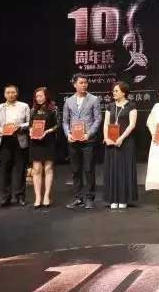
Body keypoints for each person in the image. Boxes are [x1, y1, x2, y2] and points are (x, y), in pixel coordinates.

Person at [63, 74, 102, 210]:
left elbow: (98, 119)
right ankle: (78, 198)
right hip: (73, 140)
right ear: (75, 84)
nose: (84, 85)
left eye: (85, 82)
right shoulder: (69, 101)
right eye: (81, 83)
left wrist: (88, 134)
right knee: (75, 170)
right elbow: (65, 121)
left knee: (89, 169)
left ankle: (90, 198)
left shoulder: (94, 99)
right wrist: (68, 134)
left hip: (88, 140)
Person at [103, 81, 139, 209]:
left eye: (116, 91)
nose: (114, 93)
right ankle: (113, 199)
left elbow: (132, 125)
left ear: (124, 92)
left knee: (124, 169)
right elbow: (106, 124)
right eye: (113, 91)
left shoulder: (131, 106)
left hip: (125, 142)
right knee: (112, 170)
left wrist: (121, 138)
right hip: (111, 142)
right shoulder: (110, 106)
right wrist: (106, 138)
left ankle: (124, 199)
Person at [0, 84, 30, 207]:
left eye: (13, 92)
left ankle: (20, 197)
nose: (10, 94)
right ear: (4, 94)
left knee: (20, 170)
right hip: (4, 141)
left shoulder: (24, 106)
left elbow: (29, 122)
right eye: (8, 92)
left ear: (17, 93)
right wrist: (1, 130)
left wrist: (20, 127)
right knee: (5, 171)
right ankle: (6, 197)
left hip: (19, 140)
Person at [29, 87, 59, 209]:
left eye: (41, 96)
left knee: (48, 168)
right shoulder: (33, 109)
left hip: (48, 141)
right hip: (36, 141)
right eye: (37, 96)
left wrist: (46, 131)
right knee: (36, 169)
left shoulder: (53, 108)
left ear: (46, 96)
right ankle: (37, 197)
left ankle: (46, 196)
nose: (38, 98)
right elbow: (30, 124)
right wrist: (31, 131)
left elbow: (58, 125)